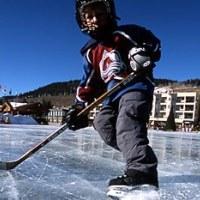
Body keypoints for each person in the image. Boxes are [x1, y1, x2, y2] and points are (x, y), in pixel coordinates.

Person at [66, 0, 161, 190]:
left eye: (100, 14)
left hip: (134, 87)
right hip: (110, 96)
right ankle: (138, 153)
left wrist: (144, 52)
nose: (95, 19)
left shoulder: (126, 33)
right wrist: (79, 107)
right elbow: (89, 83)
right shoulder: (91, 51)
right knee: (102, 124)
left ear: (110, 14)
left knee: (127, 123)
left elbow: (153, 43)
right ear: (82, 21)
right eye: (90, 16)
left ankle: (143, 171)